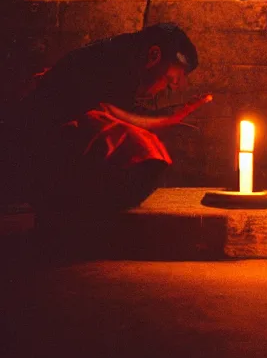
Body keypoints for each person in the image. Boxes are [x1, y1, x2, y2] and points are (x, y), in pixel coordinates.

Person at [3, 22, 212, 215]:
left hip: (42, 147)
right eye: (168, 80)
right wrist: (170, 118)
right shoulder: (117, 62)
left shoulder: (123, 56)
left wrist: (171, 117)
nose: (164, 89)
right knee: (142, 149)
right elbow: (116, 114)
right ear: (154, 55)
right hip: (33, 152)